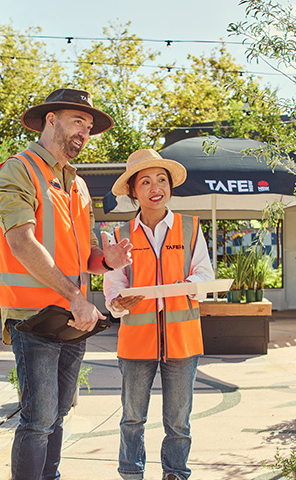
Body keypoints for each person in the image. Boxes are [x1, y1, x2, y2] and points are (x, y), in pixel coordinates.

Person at [0, 88, 133, 480]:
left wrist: (107, 261)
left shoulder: (79, 185)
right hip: (34, 316)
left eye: (88, 126)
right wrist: (75, 297)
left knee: (59, 413)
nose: (85, 131)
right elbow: (21, 242)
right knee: (38, 419)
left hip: (73, 318)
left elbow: (83, 255)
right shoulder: (17, 170)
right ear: (50, 120)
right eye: (77, 121)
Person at [103, 149, 215, 480]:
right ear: (133, 191)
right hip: (136, 342)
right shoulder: (121, 235)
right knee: (132, 418)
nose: (156, 188)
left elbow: (204, 277)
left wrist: (186, 285)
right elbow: (113, 287)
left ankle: (176, 474)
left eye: (162, 180)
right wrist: (116, 304)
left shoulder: (190, 228)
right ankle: (131, 474)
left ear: (170, 187)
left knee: (179, 421)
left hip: (182, 343)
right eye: (146, 181)